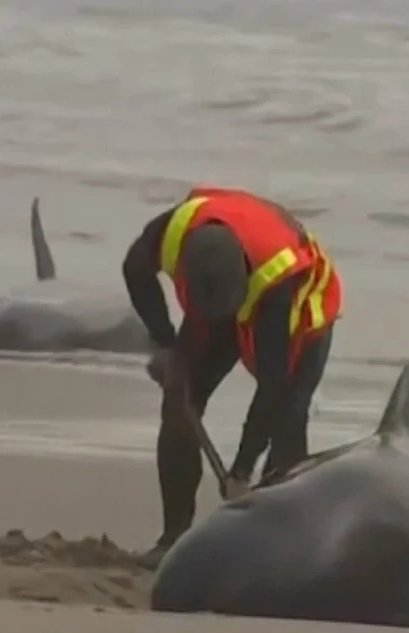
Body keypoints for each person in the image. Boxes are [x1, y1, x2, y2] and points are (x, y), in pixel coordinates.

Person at [121, 185, 342, 557]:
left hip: (300, 310)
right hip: (227, 292)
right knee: (180, 401)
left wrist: (240, 470)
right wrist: (167, 345)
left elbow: (272, 387)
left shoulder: (277, 279)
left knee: (287, 418)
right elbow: (134, 268)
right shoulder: (173, 232)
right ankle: (173, 538)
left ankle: (281, 548)